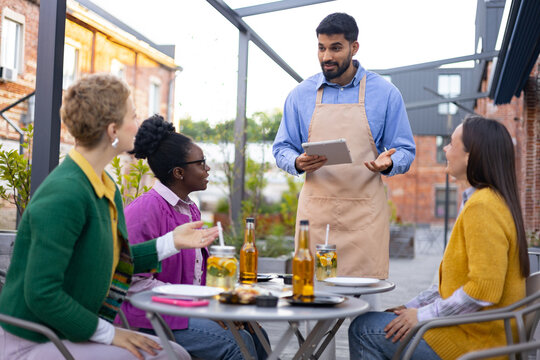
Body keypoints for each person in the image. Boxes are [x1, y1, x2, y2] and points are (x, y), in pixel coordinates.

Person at [0, 74, 220, 360]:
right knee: (167, 357)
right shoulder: (64, 193)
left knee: (174, 353)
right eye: (133, 115)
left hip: (68, 333)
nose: (137, 124)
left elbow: (114, 259)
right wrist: (111, 334)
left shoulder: (103, 186)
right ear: (113, 129)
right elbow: (41, 294)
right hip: (32, 340)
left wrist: (171, 242)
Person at [348, 116, 530, 359]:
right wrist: (412, 308)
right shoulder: (485, 201)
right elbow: (453, 285)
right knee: (375, 321)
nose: (444, 148)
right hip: (471, 333)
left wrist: (421, 316)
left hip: (475, 344)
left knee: (363, 329)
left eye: (451, 144)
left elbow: (483, 291)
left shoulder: (483, 207)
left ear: (470, 156)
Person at [272, 12, 415, 278]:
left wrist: (390, 162)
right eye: (321, 47)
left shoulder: (385, 93)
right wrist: (295, 162)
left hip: (365, 218)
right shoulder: (300, 95)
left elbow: (405, 149)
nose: (327, 56)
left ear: (354, 47)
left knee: (364, 302)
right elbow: (281, 148)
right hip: (316, 215)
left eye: (336, 48)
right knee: (310, 299)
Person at [117, 114, 268, 360]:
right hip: (148, 317)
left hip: (184, 309)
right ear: (179, 172)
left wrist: (219, 304)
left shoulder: (189, 208)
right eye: (201, 163)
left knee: (256, 333)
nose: (207, 169)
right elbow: (133, 284)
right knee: (237, 345)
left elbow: (196, 275)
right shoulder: (145, 211)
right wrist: (201, 306)